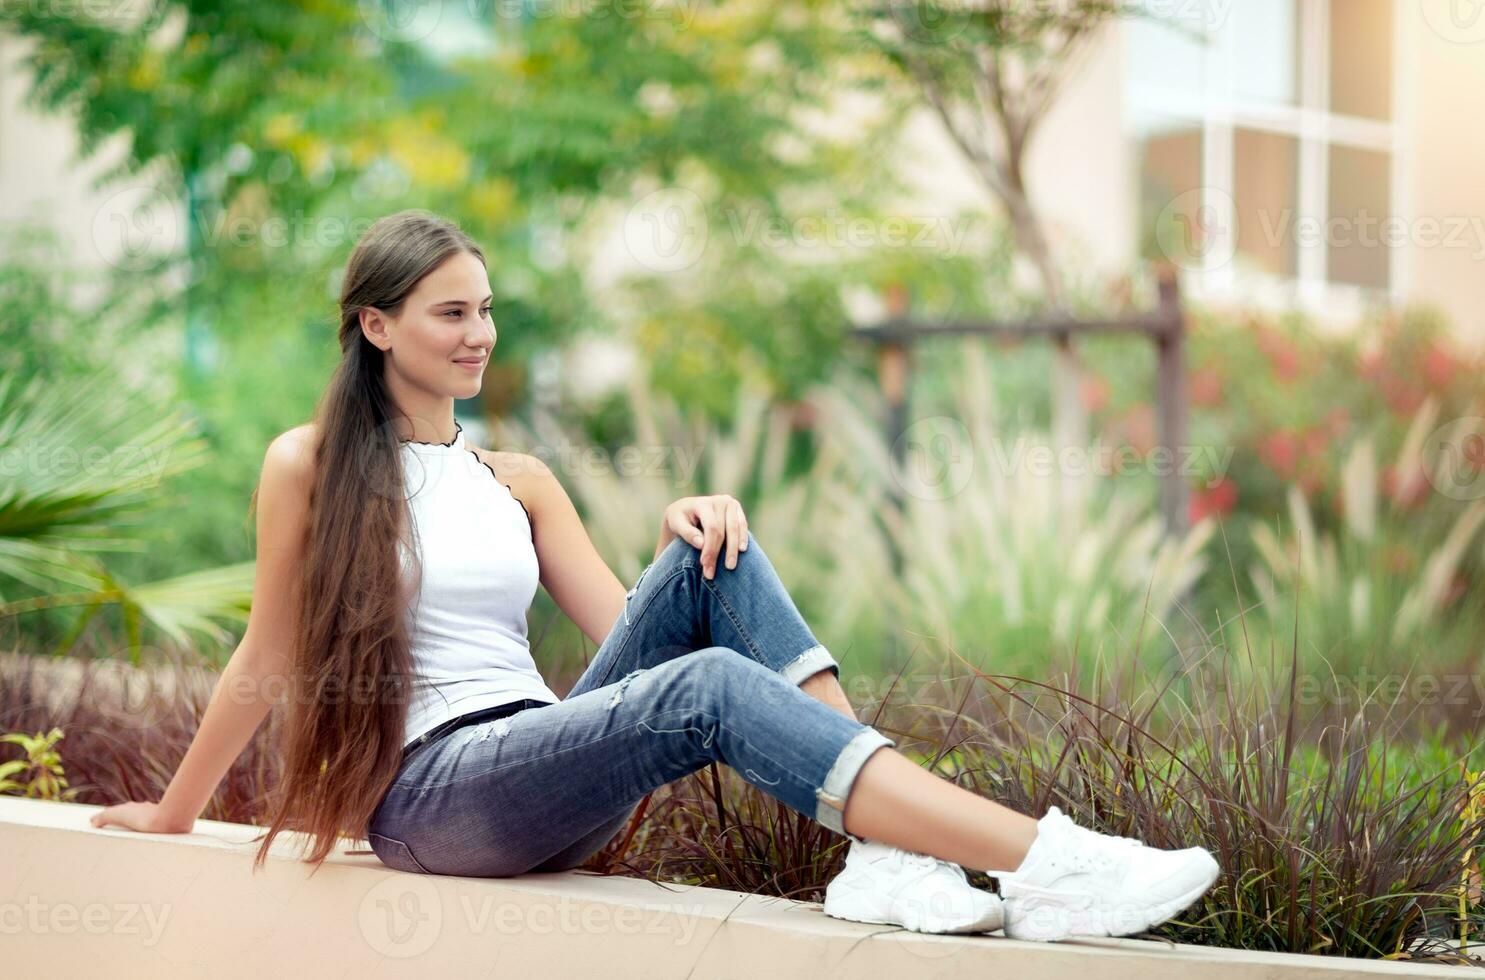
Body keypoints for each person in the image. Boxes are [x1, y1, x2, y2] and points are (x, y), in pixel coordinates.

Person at [89, 209, 1219, 942]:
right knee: (715, 689)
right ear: (377, 325)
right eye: (451, 313)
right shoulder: (310, 463)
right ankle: (1045, 859)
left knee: (713, 549)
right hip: (435, 796)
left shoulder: (516, 476)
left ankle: (888, 854)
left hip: (544, 763)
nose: (478, 334)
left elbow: (628, 627)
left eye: (485, 308)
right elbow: (269, 651)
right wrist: (177, 814)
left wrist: (695, 525)